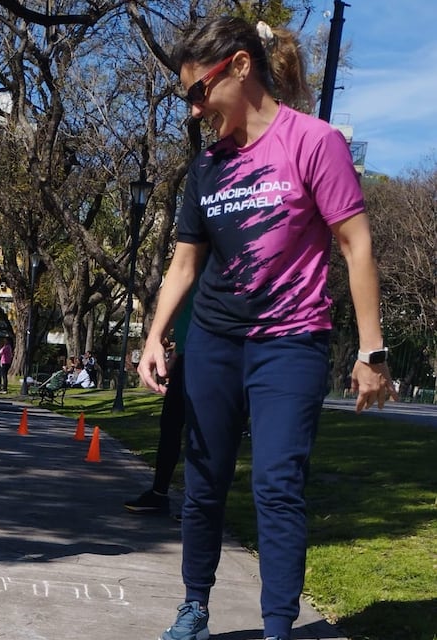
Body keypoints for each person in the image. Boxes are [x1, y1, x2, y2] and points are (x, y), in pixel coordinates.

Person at [137, 18, 396, 640]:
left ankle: (277, 626)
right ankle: (194, 604)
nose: (195, 110)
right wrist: (153, 337)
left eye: (199, 92)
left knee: (278, 486)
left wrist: (372, 350)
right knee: (204, 485)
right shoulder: (207, 167)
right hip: (215, 345)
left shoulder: (313, 142)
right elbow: (184, 263)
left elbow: (355, 246)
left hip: (292, 341)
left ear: (240, 67)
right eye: (187, 100)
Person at [124, 288, 195, 516]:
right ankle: (159, 493)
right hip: (187, 354)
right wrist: (175, 354)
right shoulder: (188, 273)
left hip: (210, 354)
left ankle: (198, 503)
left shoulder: (209, 264)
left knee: (202, 431)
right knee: (170, 425)